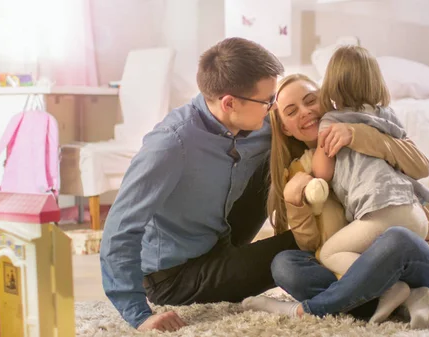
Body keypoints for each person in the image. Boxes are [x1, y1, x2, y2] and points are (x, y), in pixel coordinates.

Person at [100, 37, 297, 332]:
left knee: (278, 156)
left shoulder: (253, 123)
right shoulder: (170, 144)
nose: (273, 108)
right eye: (267, 101)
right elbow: (119, 231)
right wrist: (139, 315)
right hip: (174, 277)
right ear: (229, 103)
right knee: (300, 243)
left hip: (218, 237)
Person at [242, 73, 429, 329]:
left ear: (326, 100)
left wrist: (356, 134)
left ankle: (308, 311)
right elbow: (313, 246)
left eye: (311, 100)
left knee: (395, 239)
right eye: (291, 111)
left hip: (422, 262)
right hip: (360, 267)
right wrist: (295, 203)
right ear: (284, 128)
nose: (305, 111)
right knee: (285, 265)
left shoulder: (364, 124)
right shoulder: (302, 170)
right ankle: (407, 301)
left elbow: (419, 164)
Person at [313, 45, 429, 322]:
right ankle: (417, 297)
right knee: (387, 259)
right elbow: (411, 158)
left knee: (329, 253)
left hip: (382, 211)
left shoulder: (330, 122)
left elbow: (322, 173)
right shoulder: (388, 116)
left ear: (332, 83)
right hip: (415, 214)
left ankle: (390, 288)